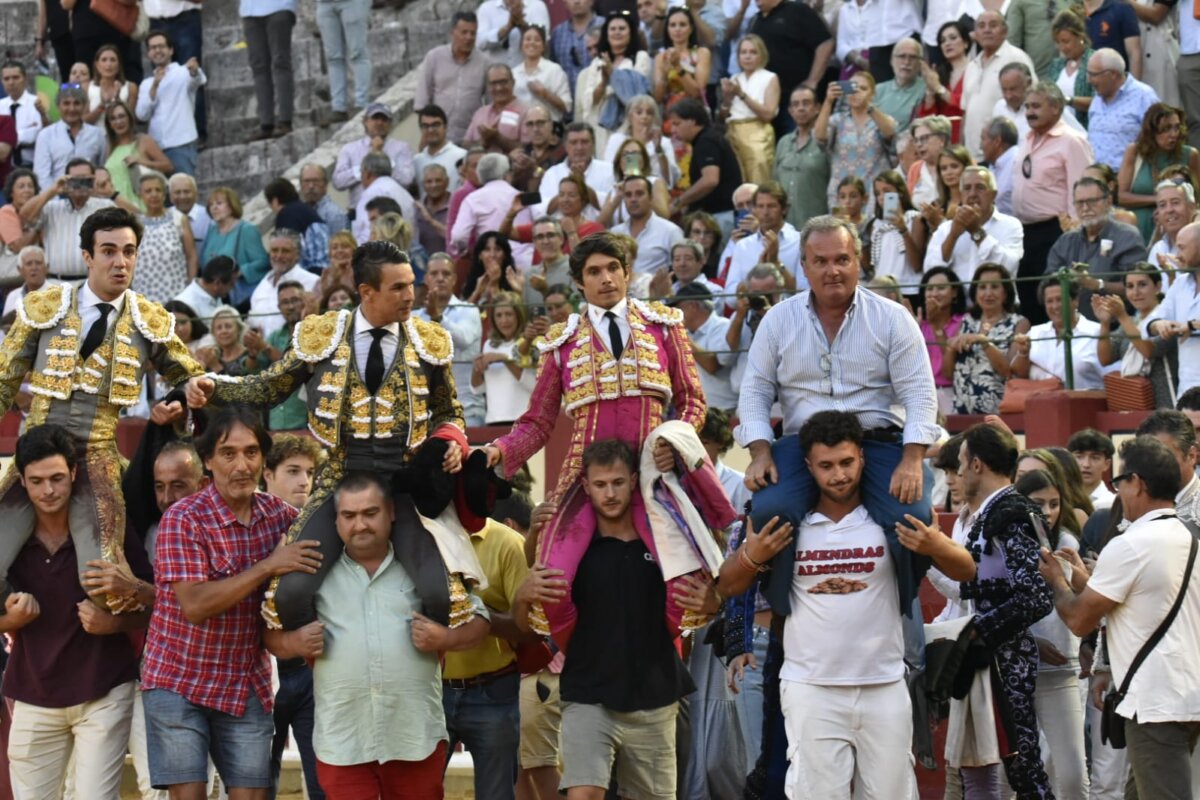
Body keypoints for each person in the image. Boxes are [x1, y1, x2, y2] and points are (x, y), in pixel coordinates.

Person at [187, 241, 476, 635]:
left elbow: (449, 412)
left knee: (443, 597)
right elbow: (267, 388)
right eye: (398, 287)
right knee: (288, 595)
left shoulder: (430, 340)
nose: (412, 295)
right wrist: (212, 386)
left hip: (406, 482)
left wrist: (452, 442)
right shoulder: (321, 335)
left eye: (411, 284)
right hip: (341, 475)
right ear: (366, 292)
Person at [720, 410, 973, 799]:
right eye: (826, 466)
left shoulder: (890, 517)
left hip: (884, 685)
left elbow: (966, 571)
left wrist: (935, 544)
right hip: (811, 688)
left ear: (862, 458)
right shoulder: (789, 521)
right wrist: (752, 557)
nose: (838, 475)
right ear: (808, 466)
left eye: (846, 463)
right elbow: (727, 585)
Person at [483, 232, 714, 642]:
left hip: (653, 475)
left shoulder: (664, 328)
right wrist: (500, 449)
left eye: (612, 268)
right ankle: (584, 658)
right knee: (551, 587)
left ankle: (656, 661)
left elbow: (693, 401)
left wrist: (675, 445)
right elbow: (538, 421)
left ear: (627, 274)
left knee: (686, 591)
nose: (605, 278)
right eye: (594, 271)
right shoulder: (562, 343)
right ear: (579, 283)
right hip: (583, 480)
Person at [734, 214, 939, 645]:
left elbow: (920, 393)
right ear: (803, 267)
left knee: (915, 516)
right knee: (769, 510)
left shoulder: (892, 318)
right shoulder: (777, 321)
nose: (832, 270)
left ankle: (901, 608)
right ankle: (785, 618)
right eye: (820, 261)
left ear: (858, 261)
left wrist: (912, 458)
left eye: (842, 259)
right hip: (801, 444)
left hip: (876, 440)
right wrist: (760, 452)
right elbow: (753, 393)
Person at [0, 207, 205, 605]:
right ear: (87, 256)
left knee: (104, 581)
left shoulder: (149, 318)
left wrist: (185, 396)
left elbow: (191, 377)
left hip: (95, 458)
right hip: (36, 456)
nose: (121, 261)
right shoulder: (47, 305)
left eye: (129, 251)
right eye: (109, 251)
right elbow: (3, 380)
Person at [263, 471, 489, 799]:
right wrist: (294, 644)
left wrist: (444, 639)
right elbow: (270, 634)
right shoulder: (312, 572)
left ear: (391, 512)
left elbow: (480, 620)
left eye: (371, 513)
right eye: (349, 516)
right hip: (343, 741)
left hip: (414, 739)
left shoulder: (426, 566)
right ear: (336, 521)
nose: (360, 525)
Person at [139, 407, 317, 799]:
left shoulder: (281, 517)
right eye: (228, 453)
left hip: (243, 680)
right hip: (176, 679)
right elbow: (195, 605)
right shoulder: (183, 518)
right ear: (208, 461)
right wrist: (268, 565)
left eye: (252, 452)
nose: (242, 465)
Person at [514, 439, 700, 800]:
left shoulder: (663, 541)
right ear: (586, 486)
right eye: (600, 485)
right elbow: (525, 628)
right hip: (589, 693)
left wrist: (712, 598)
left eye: (617, 482)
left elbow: (705, 595)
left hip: (656, 694)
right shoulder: (569, 553)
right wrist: (523, 594)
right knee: (584, 795)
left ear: (634, 480)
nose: (610, 493)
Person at [1039, 435, 1200, 800]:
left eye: (1118, 481)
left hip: (1156, 702)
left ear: (1137, 483)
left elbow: (1080, 620)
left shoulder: (1131, 543)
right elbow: (1140, 602)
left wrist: (1057, 582)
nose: (1116, 491)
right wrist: (1081, 578)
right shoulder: (1189, 535)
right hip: (1184, 692)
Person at [0, 424, 153, 800]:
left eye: (56, 478)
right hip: (34, 691)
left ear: (73, 473)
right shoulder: (8, 538)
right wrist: (8, 621)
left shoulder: (109, 529)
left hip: (103, 689)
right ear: (22, 481)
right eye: (36, 481)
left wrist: (114, 622)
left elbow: (158, 605)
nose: (47, 491)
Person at [947, 423, 1056, 797]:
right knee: (975, 762)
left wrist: (979, 631)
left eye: (961, 463)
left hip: (1004, 659)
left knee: (1023, 766)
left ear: (977, 464)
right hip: (985, 655)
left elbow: (1037, 595)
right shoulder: (991, 514)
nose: (958, 472)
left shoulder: (1011, 514)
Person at [259, 434, 324, 800]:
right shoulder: (249, 527)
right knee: (256, 784)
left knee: (324, 783)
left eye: (310, 472)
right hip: (258, 666)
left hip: (309, 666)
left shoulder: (321, 527)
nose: (304, 481)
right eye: (293, 471)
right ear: (267, 474)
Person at [1013, 81, 1095, 323]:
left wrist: (1076, 236)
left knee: (1049, 296)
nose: (1029, 112)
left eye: (1036, 106)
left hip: (1055, 232)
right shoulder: (1027, 138)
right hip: (1025, 232)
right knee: (1028, 296)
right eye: (1027, 106)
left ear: (1057, 107)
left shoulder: (1071, 140)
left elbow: (1082, 192)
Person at [1046, 176, 1147, 309]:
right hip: (1073, 324)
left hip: (1116, 324)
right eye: (1079, 203)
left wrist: (1095, 284)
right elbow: (1046, 284)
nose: (1085, 208)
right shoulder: (1066, 241)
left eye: (1092, 201)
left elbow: (1137, 287)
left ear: (1109, 201)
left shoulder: (1128, 237)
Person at [945, 262, 1031, 414]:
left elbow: (1011, 372)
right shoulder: (966, 321)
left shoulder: (1019, 323)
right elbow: (947, 373)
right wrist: (950, 348)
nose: (988, 293)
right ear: (975, 292)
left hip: (997, 413)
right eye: (982, 287)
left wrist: (984, 342)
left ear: (1005, 292)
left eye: (994, 287)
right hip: (960, 412)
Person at [1095, 263, 1180, 410]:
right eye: (1130, 286)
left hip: (1166, 404)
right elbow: (1105, 358)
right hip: (1134, 404)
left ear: (1158, 286)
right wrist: (1105, 323)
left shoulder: (1166, 318)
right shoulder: (1131, 322)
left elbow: (1148, 351)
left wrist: (1122, 316)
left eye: (1142, 285)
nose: (1135, 292)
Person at [416, 252, 485, 427]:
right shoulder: (413, 317)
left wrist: (437, 317)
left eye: (446, 274)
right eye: (434, 274)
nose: (440, 278)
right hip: (425, 412)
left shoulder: (469, 310)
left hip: (466, 408)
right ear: (426, 279)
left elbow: (463, 339)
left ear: (454, 279)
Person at [925, 165, 1024, 286]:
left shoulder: (1011, 225)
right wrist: (952, 236)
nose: (972, 194)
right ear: (961, 195)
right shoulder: (945, 229)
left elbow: (1008, 267)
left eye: (980, 187)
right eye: (967, 188)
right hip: (958, 303)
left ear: (993, 194)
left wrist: (976, 232)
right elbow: (930, 272)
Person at [748, 0, 832, 138]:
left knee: (799, 140)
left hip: (796, 97)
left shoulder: (797, 10)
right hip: (767, 99)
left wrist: (813, 80)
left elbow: (825, 43)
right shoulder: (755, 20)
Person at [1117, 104, 1200, 243]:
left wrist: (1168, 206)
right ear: (1152, 131)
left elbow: (1197, 196)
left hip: (1179, 229)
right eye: (1166, 129)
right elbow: (1121, 196)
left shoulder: (1190, 155)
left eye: (1177, 127)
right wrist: (1160, 201)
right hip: (1141, 228)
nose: (1174, 134)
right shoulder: (1135, 152)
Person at [572, 12, 651, 156]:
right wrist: (603, 81)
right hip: (600, 125)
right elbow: (588, 101)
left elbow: (638, 96)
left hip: (627, 125)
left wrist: (613, 75)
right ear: (606, 34)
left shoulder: (640, 58)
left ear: (630, 33)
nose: (617, 32)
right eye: (612, 29)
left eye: (622, 29)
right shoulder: (597, 63)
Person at [962, 12, 1036, 161]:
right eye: (981, 26)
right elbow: (966, 111)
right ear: (976, 33)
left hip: (1005, 156)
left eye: (993, 25)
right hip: (973, 155)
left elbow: (1033, 99)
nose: (987, 30)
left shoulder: (1017, 58)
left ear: (1005, 31)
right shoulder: (971, 65)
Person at [815, 72, 896, 210]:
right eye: (852, 88)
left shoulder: (881, 119)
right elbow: (820, 136)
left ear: (873, 93)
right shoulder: (837, 120)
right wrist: (828, 101)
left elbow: (890, 132)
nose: (857, 92)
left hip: (876, 194)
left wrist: (868, 106)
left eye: (863, 89)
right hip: (843, 195)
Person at [1013, 276, 1107, 390]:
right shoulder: (1035, 333)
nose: (1055, 306)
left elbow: (1110, 379)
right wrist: (1023, 354)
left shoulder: (1096, 332)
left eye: (1060, 299)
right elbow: (1018, 374)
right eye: (1049, 301)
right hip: (1041, 404)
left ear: (1075, 301)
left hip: (1084, 404)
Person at [667, 98, 743, 235]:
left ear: (692, 121)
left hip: (720, 217)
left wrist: (678, 203)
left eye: (677, 124)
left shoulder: (706, 141)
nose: (673, 129)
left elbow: (710, 180)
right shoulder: (708, 138)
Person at [414, 12, 491, 144]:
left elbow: (490, 105)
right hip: (438, 139)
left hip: (470, 139)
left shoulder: (485, 63)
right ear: (452, 32)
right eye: (464, 32)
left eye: (473, 33)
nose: (469, 37)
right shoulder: (434, 57)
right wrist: (426, 135)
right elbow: (422, 100)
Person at [135, 32, 204, 176]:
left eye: (161, 46)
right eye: (153, 48)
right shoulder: (146, 84)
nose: (158, 50)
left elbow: (198, 79)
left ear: (171, 50)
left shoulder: (183, 72)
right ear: (148, 53)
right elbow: (141, 115)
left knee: (183, 192)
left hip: (181, 144)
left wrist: (194, 70)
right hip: (156, 149)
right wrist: (154, 86)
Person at [1146, 222, 1200, 396]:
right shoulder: (1180, 283)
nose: (1177, 255)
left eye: (1182, 248)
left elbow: (1191, 326)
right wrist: (1160, 324)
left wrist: (1191, 326)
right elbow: (1151, 321)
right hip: (1187, 390)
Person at [723, 180, 801, 300]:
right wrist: (757, 273)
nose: (765, 212)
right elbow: (730, 298)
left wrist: (776, 263)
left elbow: (804, 291)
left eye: (771, 206)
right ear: (753, 210)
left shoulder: (800, 242)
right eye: (760, 206)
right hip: (752, 315)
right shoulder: (743, 246)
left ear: (784, 209)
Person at [718, 34, 779, 186]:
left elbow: (768, 114)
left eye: (753, 52)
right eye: (743, 52)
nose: (747, 57)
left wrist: (741, 94)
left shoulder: (770, 77)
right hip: (732, 131)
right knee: (736, 182)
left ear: (762, 55)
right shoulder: (734, 78)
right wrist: (726, 99)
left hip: (757, 132)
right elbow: (722, 116)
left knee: (758, 180)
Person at [1086, 48, 1159, 170]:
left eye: (1093, 75)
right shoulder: (1097, 98)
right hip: (1096, 178)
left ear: (1113, 74)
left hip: (1128, 179)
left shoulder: (1144, 96)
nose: (1089, 80)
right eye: (1088, 74)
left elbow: (1158, 139)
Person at [333, 104, 417, 210]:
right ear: (365, 121)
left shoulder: (401, 148)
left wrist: (382, 157)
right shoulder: (349, 149)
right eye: (375, 118)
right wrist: (365, 169)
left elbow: (407, 179)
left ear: (390, 123)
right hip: (358, 210)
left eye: (384, 119)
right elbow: (338, 182)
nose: (379, 122)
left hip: (391, 211)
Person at [669, 282, 736, 412]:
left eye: (678, 309)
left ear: (692, 306)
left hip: (723, 411)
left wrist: (682, 337)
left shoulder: (722, 326)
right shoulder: (688, 332)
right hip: (696, 410)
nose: (675, 315)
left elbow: (712, 366)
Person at [472, 290, 536, 425]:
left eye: (509, 314)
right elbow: (478, 389)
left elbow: (534, 386)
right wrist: (477, 369)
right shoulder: (489, 345)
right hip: (493, 421)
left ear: (519, 315)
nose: (504, 320)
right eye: (499, 315)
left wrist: (505, 359)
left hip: (523, 421)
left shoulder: (531, 342)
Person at [101, 98, 176, 212]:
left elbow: (168, 166)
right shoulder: (110, 147)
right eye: (113, 119)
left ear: (129, 118)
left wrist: (142, 162)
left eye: (121, 116)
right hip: (116, 206)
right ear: (109, 124)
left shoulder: (143, 140)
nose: (118, 122)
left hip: (139, 206)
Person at [773, 86, 830, 232]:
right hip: (785, 227)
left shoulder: (827, 141)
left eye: (806, 103)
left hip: (818, 225)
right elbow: (775, 184)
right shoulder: (783, 142)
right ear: (790, 111)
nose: (801, 108)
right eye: (796, 104)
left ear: (817, 108)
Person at [134, 171, 197, 303]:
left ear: (164, 193)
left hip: (176, 293)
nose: (154, 194)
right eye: (148, 191)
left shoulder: (179, 218)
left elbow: (191, 256)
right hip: (144, 295)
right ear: (140, 195)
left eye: (158, 190)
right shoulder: (135, 224)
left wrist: (191, 288)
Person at [200, 187, 270, 303]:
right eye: (211, 205)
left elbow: (262, 261)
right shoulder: (212, 231)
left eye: (219, 203)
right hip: (216, 295)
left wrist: (238, 272)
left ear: (232, 205)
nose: (214, 207)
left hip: (240, 295)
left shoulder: (246, 230)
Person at [254, 282, 309, 430]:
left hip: (305, 421)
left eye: (294, 300)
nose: (290, 307)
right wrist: (252, 353)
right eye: (285, 302)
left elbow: (294, 366)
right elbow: (256, 371)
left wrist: (265, 347)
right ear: (279, 308)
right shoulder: (274, 337)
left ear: (304, 302)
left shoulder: (312, 333)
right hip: (275, 422)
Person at [536, 122, 615, 220]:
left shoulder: (609, 171)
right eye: (574, 142)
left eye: (584, 142)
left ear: (593, 144)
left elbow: (613, 208)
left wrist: (581, 184)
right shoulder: (551, 173)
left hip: (598, 233)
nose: (579, 147)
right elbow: (540, 212)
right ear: (565, 146)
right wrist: (569, 189)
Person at [241, 0, 296, 141]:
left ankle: (285, 121)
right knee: (258, 67)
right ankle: (266, 124)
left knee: (280, 63)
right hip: (250, 10)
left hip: (279, 7)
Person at [32, 87, 106, 190]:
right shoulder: (46, 135)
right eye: (66, 104)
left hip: (90, 196)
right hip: (57, 197)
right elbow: (41, 174)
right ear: (58, 107)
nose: (72, 109)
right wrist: (53, 198)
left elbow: (102, 168)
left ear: (84, 106)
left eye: (77, 103)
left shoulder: (96, 134)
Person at [451, 154, 521, 260]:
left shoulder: (473, 199)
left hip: (492, 261)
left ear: (480, 175)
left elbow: (459, 236)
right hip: (525, 260)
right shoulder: (521, 197)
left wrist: (466, 251)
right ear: (507, 174)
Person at [602, 94, 680, 188]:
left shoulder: (664, 143)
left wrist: (658, 150)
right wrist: (640, 144)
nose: (644, 117)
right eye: (639, 112)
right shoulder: (617, 140)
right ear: (630, 117)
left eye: (649, 113)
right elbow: (612, 174)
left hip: (656, 191)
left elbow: (669, 181)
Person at [611, 175, 684, 275]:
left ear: (650, 198)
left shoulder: (670, 231)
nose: (633, 199)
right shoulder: (614, 233)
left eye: (639, 194)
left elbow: (680, 269)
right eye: (628, 195)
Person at [315, 0, 371, 124]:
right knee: (333, 58)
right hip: (324, 4)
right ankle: (338, 107)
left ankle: (362, 103)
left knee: (358, 54)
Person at [919, 266, 967, 413]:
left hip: (951, 392)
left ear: (954, 292)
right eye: (930, 289)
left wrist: (936, 325)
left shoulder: (964, 322)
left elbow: (949, 366)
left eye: (941, 288)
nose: (934, 294)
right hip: (923, 393)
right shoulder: (919, 324)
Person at [916, 22, 969, 144]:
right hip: (943, 139)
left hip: (967, 134)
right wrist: (930, 91)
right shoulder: (938, 74)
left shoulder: (976, 69)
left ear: (966, 43)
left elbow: (965, 105)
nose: (947, 43)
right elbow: (928, 117)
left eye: (953, 38)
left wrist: (939, 88)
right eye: (943, 40)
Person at [264, 177, 330, 272]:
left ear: (275, 201)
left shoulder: (286, 214)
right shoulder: (305, 209)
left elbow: (283, 247)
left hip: (311, 271)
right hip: (324, 268)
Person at [352, 152, 417, 244]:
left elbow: (366, 233)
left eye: (361, 173)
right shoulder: (403, 192)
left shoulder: (371, 193)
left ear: (367, 173)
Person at [465, 64, 531, 154]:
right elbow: (466, 144)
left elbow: (529, 148)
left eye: (503, 82)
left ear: (513, 82)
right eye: (493, 83)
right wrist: (483, 143)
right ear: (487, 86)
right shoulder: (480, 112)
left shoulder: (526, 113)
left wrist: (498, 138)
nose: (499, 88)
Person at [514, 25, 572, 123]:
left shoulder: (554, 70)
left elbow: (566, 107)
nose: (532, 43)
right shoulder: (513, 73)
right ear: (521, 45)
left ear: (544, 46)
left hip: (550, 126)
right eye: (527, 39)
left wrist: (545, 93)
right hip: (521, 129)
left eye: (537, 40)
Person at [1048, 10, 1095, 128]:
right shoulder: (1056, 65)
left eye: (1066, 41)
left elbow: (1101, 101)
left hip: (1085, 130)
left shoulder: (1095, 61)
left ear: (1080, 36)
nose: (1062, 47)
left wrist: (1068, 100)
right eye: (1058, 42)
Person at [197, 306, 269, 378]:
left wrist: (216, 367)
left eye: (228, 326)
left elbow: (244, 386)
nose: (224, 331)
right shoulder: (213, 358)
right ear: (214, 333)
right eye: (219, 328)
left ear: (238, 329)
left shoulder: (251, 354)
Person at [873, 38, 927, 133]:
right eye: (902, 56)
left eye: (913, 57)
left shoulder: (926, 89)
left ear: (920, 63)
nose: (906, 62)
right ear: (892, 60)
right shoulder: (878, 90)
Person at [0, 61, 46, 170]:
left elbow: (41, 135)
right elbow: (30, 136)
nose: (11, 82)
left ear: (25, 79)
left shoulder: (37, 103)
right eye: (6, 79)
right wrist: (24, 134)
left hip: (33, 166)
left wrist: (7, 139)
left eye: (15, 77)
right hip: (3, 167)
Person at [550, 0, 600, 90]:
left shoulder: (606, 26)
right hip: (566, 99)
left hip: (599, 96)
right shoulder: (558, 33)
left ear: (592, 1)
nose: (577, 1)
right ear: (565, 3)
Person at [1147, 179, 1196, 269]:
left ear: (1192, 207)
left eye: (1175, 203)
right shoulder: (1158, 249)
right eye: (1162, 205)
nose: (1169, 210)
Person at [175, 254, 236, 324]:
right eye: (231, 284)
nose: (233, 287)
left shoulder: (215, 293)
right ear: (217, 283)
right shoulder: (187, 304)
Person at [83, 45, 137, 124]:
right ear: (97, 65)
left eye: (113, 60)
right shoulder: (87, 87)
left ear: (119, 65)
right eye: (104, 60)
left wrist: (117, 100)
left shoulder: (131, 87)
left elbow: (131, 121)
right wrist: (102, 105)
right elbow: (83, 121)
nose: (108, 64)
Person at [906, 115, 951, 207]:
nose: (919, 144)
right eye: (916, 140)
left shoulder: (960, 163)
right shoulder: (915, 169)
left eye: (924, 138)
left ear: (942, 140)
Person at [1066, 428, 1116, 510]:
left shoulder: (1112, 504)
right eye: (1079, 457)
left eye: (1095, 458)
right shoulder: (1060, 501)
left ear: (1106, 464)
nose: (1086, 464)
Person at [981, 116, 1019, 215]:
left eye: (983, 139)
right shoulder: (992, 164)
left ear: (997, 141)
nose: (980, 146)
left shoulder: (1018, 162)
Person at [2, 245, 54, 317]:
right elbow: (5, 327)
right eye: (29, 264)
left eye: (38, 263)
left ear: (47, 267)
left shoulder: (58, 294)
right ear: (20, 270)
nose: (34, 268)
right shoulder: (13, 296)